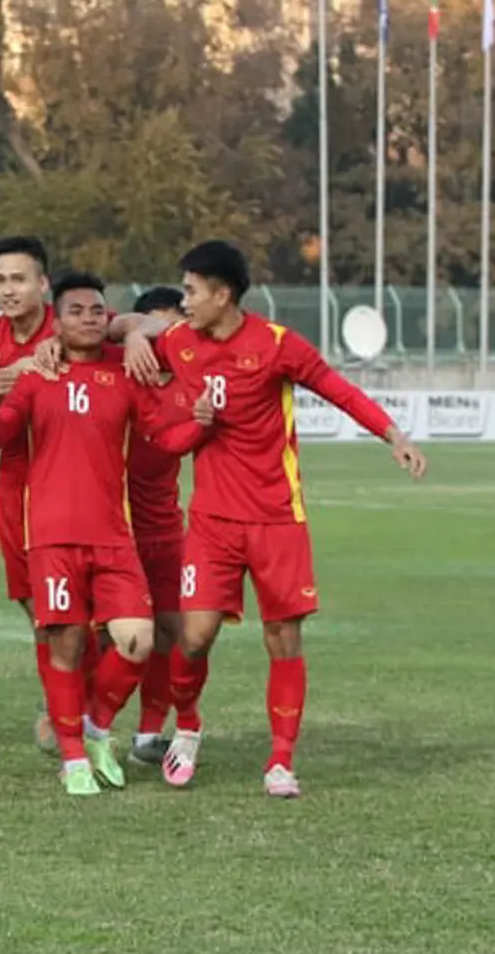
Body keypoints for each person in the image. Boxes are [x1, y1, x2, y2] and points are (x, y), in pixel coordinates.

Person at [155, 240, 427, 798]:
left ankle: (280, 761)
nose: (184, 302)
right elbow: (131, 339)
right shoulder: (178, 344)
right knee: (195, 635)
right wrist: (131, 338)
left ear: (222, 294)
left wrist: (392, 434)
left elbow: (339, 389)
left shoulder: (276, 346)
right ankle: (187, 727)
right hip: (211, 521)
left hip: (278, 518)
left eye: (190, 291)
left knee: (283, 638)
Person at [0, 273, 203, 795]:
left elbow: (161, 437)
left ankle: (95, 727)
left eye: (97, 311)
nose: (88, 319)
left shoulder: (124, 376)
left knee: (137, 641)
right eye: (76, 311)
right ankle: (73, 757)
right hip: (52, 539)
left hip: (114, 537)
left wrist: (203, 422)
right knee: (69, 643)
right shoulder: (35, 377)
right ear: (57, 321)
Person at [0, 237, 159, 750]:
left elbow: (149, 322)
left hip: (82, 488)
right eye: (1, 280)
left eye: (19, 279)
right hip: (17, 492)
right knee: (45, 617)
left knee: (96, 623)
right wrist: (22, 369)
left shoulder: (72, 319)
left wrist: (136, 336)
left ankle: (82, 717)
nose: (9, 290)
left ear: (43, 285)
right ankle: (67, 715)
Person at [124, 285, 191, 766]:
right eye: (155, 329)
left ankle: (149, 734)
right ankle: (82, 719)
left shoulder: (191, 387)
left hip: (167, 530)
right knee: (109, 637)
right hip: (112, 531)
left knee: (176, 631)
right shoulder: (116, 375)